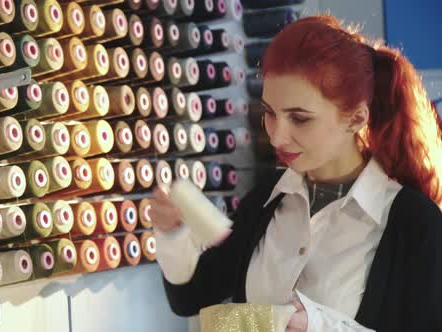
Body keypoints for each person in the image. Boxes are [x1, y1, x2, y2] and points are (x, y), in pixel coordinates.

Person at [150, 15, 442, 332]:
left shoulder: (415, 223)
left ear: (355, 118)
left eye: (299, 119)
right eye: (270, 114)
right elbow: (191, 299)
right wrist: (173, 233)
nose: (276, 137)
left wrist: (319, 326)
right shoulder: (265, 201)